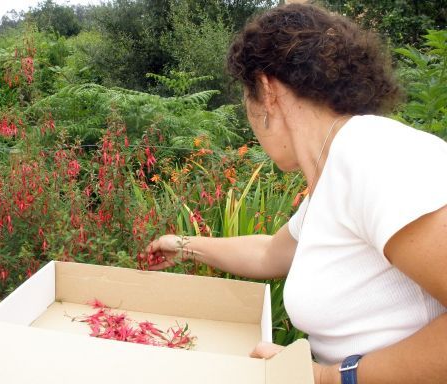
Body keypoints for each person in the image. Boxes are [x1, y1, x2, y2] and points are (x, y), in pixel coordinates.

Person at [145, 3, 447, 384]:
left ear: (267, 91)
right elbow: (271, 252)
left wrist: (326, 377)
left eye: (246, 98)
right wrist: (184, 245)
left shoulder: (373, 154)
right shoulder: (333, 172)